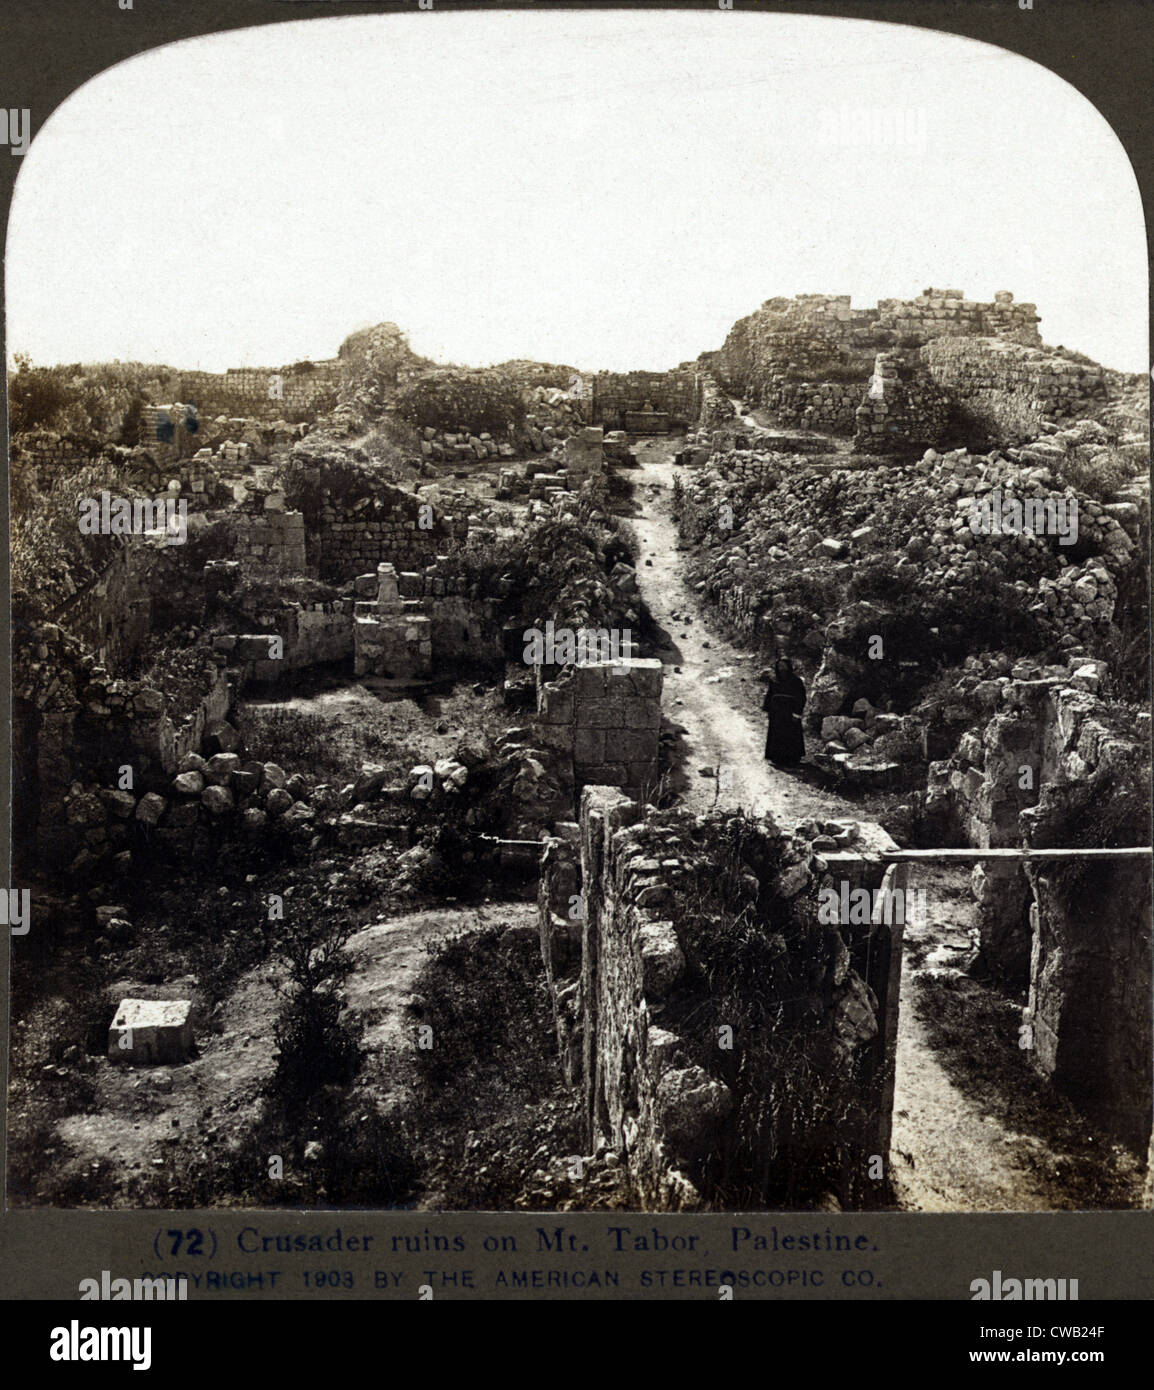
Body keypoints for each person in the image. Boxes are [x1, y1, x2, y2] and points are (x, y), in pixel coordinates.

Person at [762, 657, 807, 765]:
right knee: (777, 734)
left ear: (789, 667)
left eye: (784, 666)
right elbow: (769, 695)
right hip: (776, 713)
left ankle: (792, 759)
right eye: (779, 666)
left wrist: (797, 713)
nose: (782, 668)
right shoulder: (774, 680)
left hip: (790, 712)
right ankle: (776, 757)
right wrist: (767, 709)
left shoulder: (796, 681)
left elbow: (801, 697)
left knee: (790, 734)